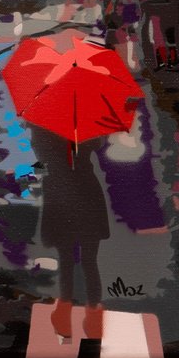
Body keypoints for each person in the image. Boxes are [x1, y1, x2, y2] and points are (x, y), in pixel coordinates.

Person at [30, 124, 109, 341]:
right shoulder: (90, 121)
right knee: (90, 260)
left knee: (66, 258)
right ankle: (93, 319)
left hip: (59, 193)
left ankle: (64, 315)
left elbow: (41, 163)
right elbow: (99, 145)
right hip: (88, 192)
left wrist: (24, 175)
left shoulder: (43, 124)